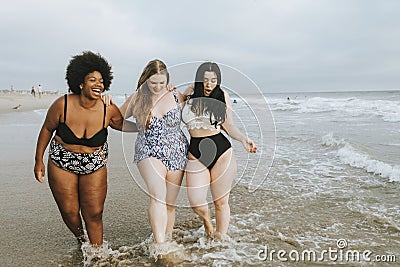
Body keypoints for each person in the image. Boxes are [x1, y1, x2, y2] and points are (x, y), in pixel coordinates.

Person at [34, 51, 138, 248]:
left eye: (101, 81)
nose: (98, 84)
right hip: (62, 161)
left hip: (94, 163)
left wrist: (145, 126)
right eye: (92, 80)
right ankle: (82, 239)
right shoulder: (62, 105)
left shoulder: (108, 109)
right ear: (80, 83)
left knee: (94, 212)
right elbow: (47, 129)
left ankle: (97, 253)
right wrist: (38, 160)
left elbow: (122, 125)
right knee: (69, 211)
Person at [116, 59, 188, 253]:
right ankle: (159, 245)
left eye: (161, 83)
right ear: (145, 79)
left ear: (167, 81)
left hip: (177, 151)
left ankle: (168, 238)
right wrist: (139, 128)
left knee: (170, 204)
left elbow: (195, 106)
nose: (157, 87)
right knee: (158, 196)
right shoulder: (137, 98)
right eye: (153, 82)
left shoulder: (175, 95)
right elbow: (116, 120)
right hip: (148, 150)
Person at [181, 62, 257, 240]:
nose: (209, 84)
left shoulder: (222, 95)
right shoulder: (189, 93)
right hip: (196, 152)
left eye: (213, 80)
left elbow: (229, 125)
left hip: (221, 151)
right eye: (206, 80)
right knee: (196, 201)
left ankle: (220, 240)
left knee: (221, 202)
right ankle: (207, 221)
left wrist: (243, 140)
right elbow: (170, 103)